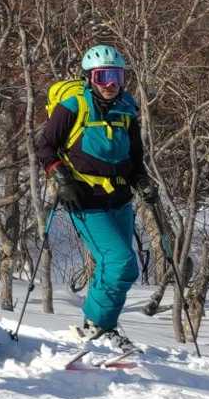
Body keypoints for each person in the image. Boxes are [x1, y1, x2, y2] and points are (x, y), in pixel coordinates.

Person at [35, 42, 156, 352]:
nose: (110, 84)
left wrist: (142, 181)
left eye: (117, 76)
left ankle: (100, 325)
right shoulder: (73, 106)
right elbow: (45, 146)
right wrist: (61, 178)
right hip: (84, 197)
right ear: (89, 77)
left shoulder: (126, 108)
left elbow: (135, 157)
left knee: (116, 266)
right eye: (103, 76)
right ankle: (98, 326)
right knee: (121, 262)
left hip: (120, 198)